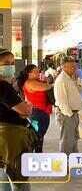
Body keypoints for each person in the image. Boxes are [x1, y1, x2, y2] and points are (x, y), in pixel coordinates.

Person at [0, 48, 37, 191]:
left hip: (4, 142)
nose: (10, 66)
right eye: (6, 63)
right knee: (19, 181)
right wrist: (27, 107)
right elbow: (25, 110)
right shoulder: (3, 86)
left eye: (12, 62)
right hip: (11, 141)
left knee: (3, 178)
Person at [17, 64, 53, 152]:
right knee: (36, 137)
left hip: (41, 112)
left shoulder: (36, 81)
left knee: (38, 136)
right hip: (37, 113)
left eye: (38, 71)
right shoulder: (30, 82)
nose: (38, 73)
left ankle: (37, 155)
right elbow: (46, 87)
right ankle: (34, 156)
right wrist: (50, 84)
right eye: (35, 71)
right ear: (28, 73)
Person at [54, 56, 82, 155]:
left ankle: (73, 163)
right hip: (67, 115)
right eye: (71, 67)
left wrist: (77, 81)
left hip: (73, 114)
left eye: (75, 66)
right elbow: (61, 100)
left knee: (73, 140)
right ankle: (65, 164)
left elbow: (79, 91)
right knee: (66, 142)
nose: (74, 69)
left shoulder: (71, 78)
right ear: (64, 67)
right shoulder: (61, 80)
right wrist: (69, 114)